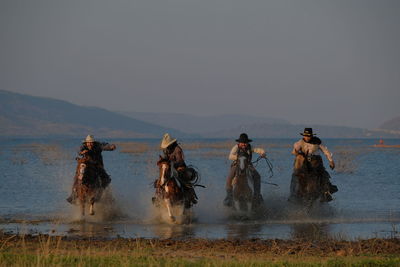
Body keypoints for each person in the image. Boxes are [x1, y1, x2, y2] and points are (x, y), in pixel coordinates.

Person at [291, 128, 338, 202]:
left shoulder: (318, 142)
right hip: (303, 160)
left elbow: (326, 151)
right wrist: (297, 151)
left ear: (311, 136)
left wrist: (331, 161)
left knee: (323, 173)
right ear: (304, 136)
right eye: (306, 136)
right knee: (296, 174)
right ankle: (293, 193)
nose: (307, 137)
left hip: (315, 161)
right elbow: (294, 152)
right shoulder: (299, 143)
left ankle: (327, 192)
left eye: (309, 136)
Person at [66, 135, 116, 203]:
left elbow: (105, 145)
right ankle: (73, 195)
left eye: (91, 142)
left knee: (106, 178)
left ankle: (102, 192)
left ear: (93, 142)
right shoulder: (83, 146)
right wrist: (81, 152)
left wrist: (110, 147)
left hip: (97, 165)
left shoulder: (98, 145)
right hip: (87, 164)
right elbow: (79, 150)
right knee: (78, 175)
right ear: (86, 143)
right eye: (88, 142)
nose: (89, 144)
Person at [223, 133, 266, 208]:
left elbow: (258, 150)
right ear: (239, 142)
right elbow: (230, 156)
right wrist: (239, 157)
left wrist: (263, 153)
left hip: (248, 165)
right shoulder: (235, 147)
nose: (244, 144)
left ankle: (257, 195)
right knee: (229, 178)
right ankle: (229, 197)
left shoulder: (250, 147)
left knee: (257, 176)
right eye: (242, 142)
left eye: (245, 143)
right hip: (237, 164)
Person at [159, 133, 198, 208]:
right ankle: (159, 196)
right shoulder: (166, 150)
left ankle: (190, 196)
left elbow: (180, 160)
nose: (166, 147)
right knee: (161, 179)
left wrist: (172, 164)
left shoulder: (177, 149)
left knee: (184, 180)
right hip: (169, 167)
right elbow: (165, 159)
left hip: (180, 167)